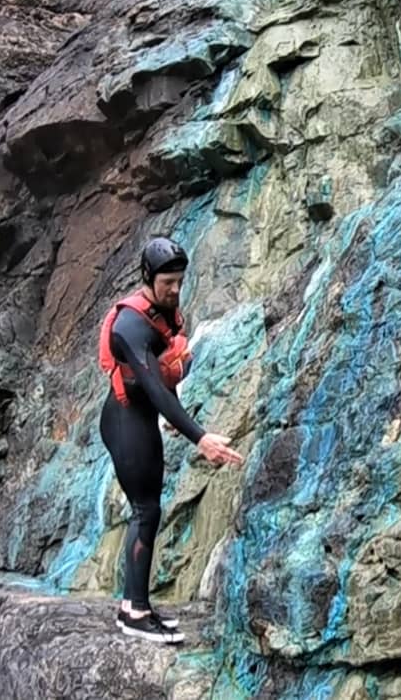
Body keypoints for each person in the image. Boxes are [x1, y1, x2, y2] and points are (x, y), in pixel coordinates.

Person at [97, 236, 244, 644]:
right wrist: (200, 437)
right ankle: (135, 614)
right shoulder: (130, 326)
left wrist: (177, 416)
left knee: (150, 509)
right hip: (125, 418)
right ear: (148, 277)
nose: (175, 290)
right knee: (145, 509)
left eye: (180, 281)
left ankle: (134, 605)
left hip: (142, 415)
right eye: (168, 282)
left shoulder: (164, 312)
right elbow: (153, 388)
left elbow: (164, 381)